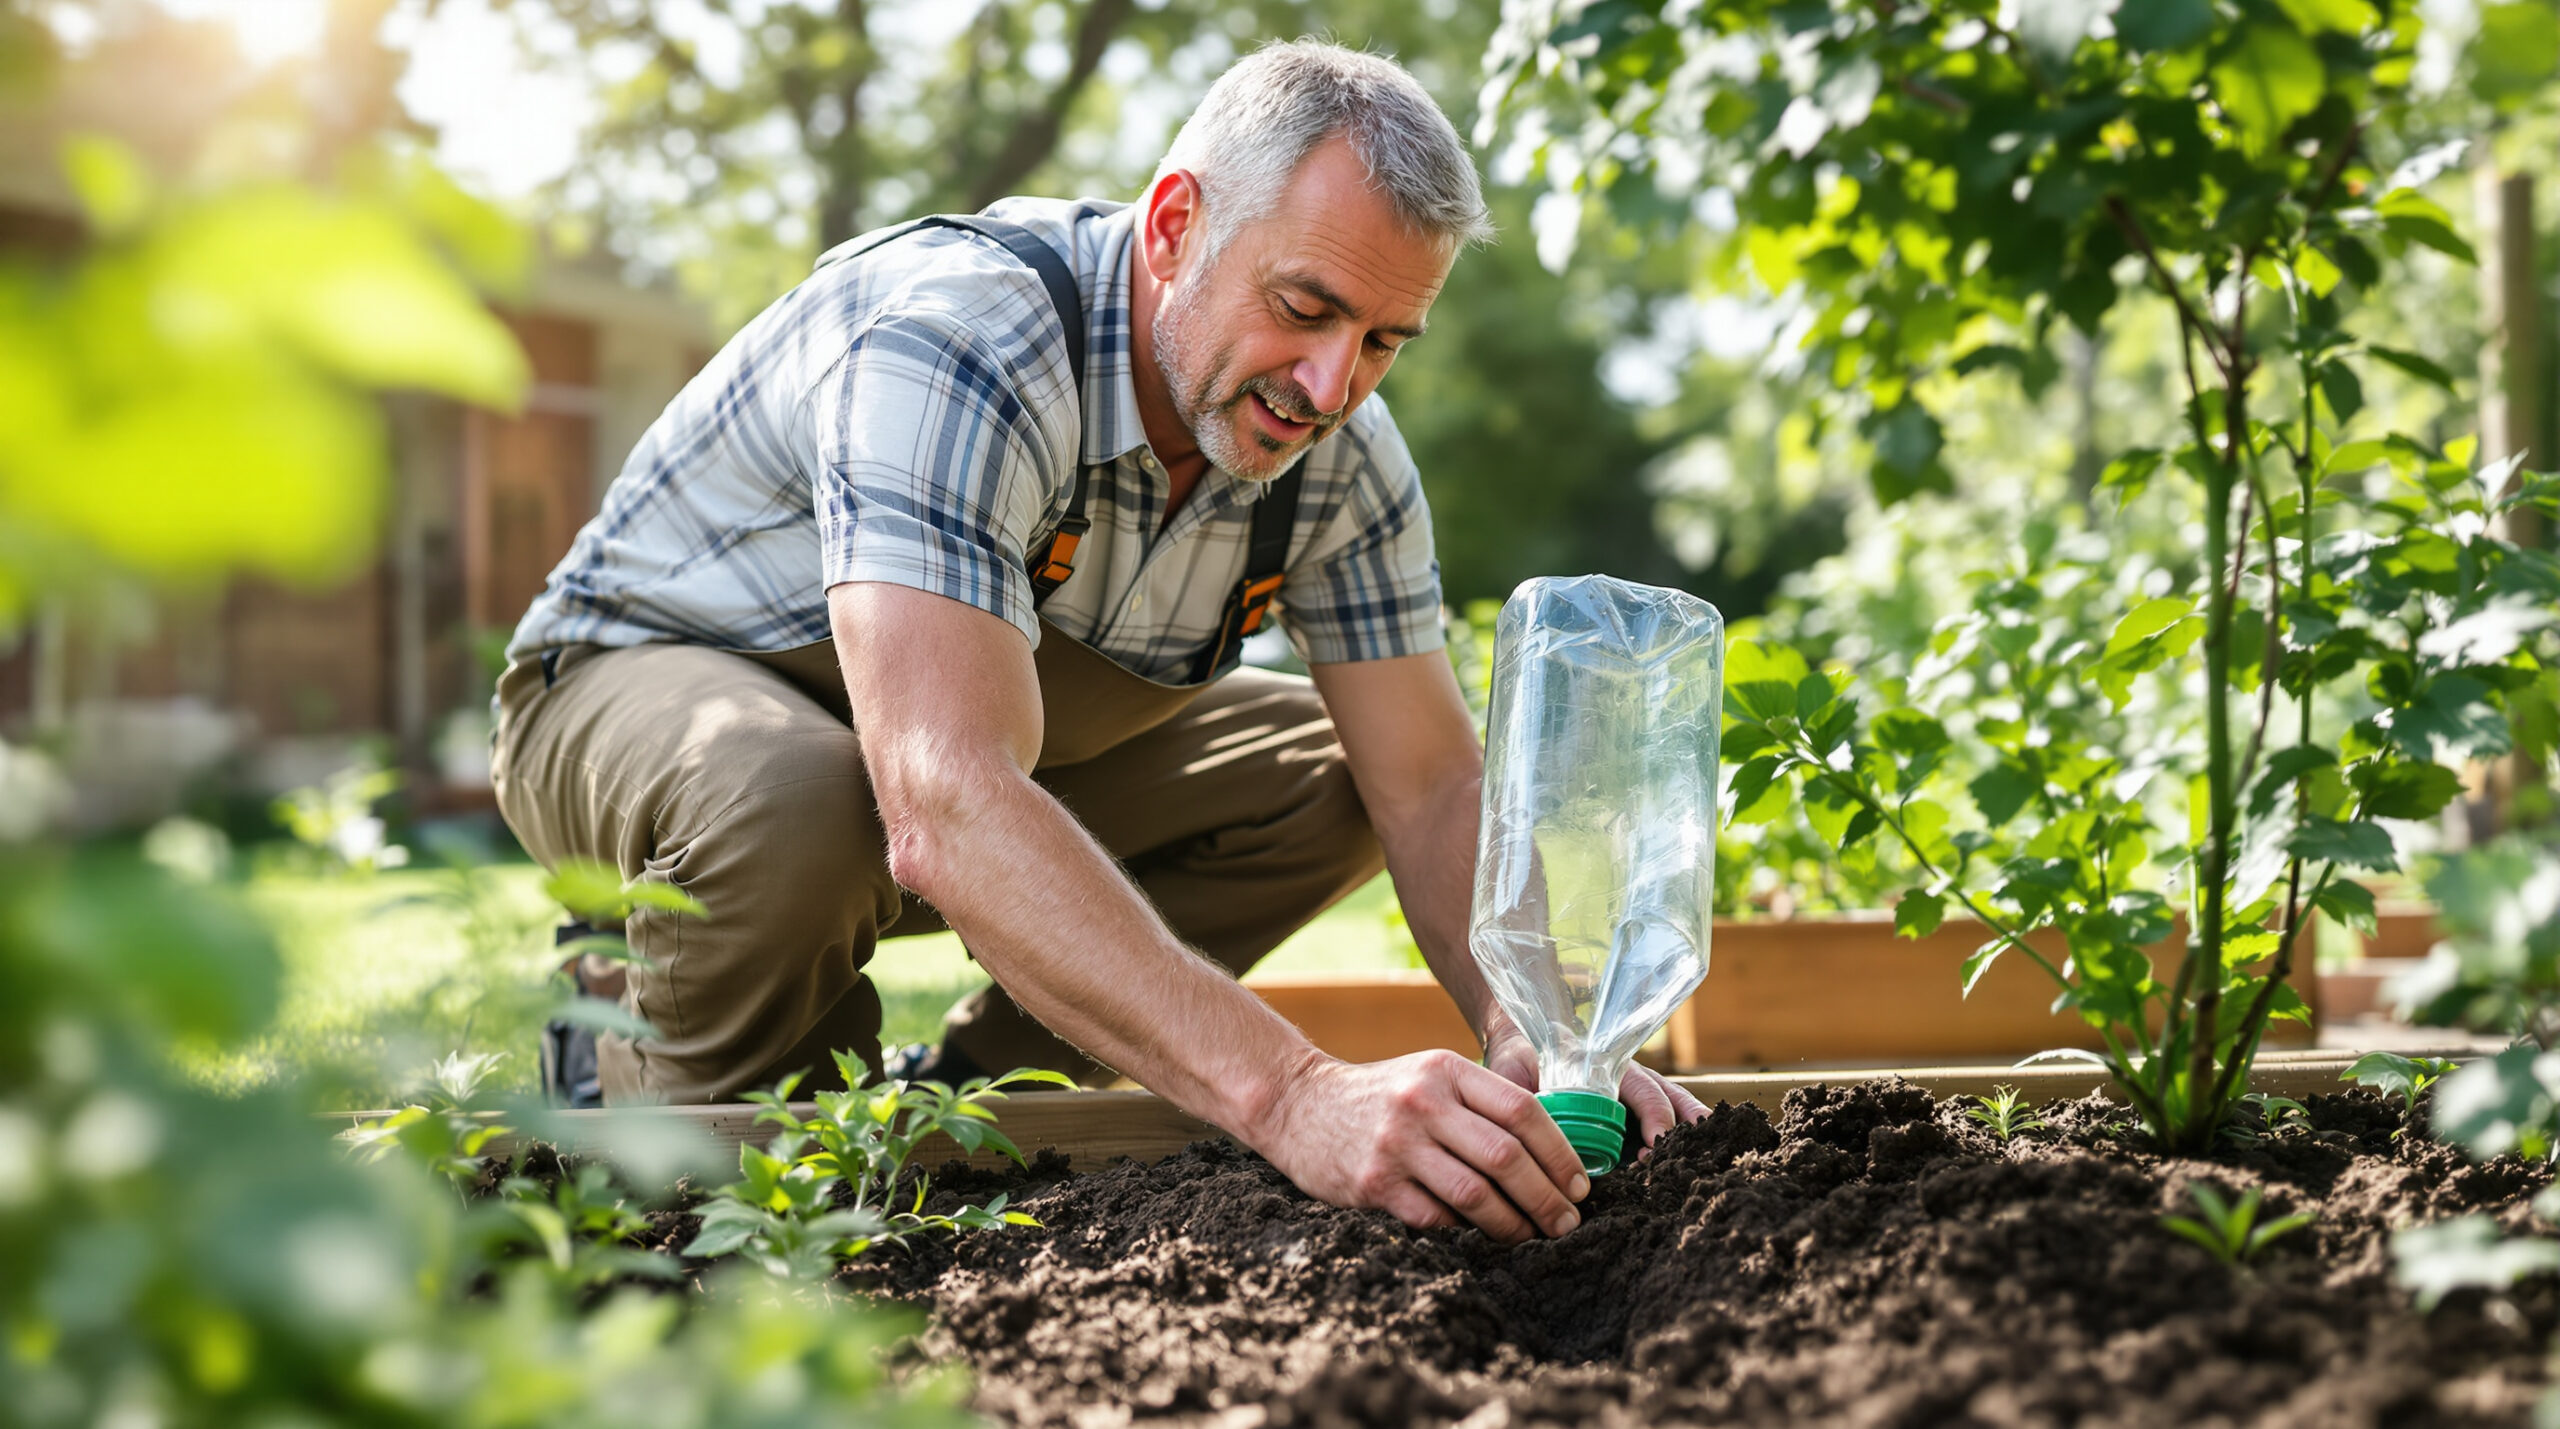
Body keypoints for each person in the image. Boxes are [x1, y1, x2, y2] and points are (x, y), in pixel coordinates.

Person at [491, 39, 1706, 1245]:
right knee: (796, 805)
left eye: (1385, 340)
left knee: (1329, 775)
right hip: (636, 694)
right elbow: (944, 792)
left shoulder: (1339, 462)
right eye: (1305, 308)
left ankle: (989, 1098)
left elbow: (1435, 791)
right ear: (1175, 224)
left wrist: (1544, 1044)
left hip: (945, 728)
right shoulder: (965, 341)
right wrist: (1292, 1095)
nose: (1332, 385)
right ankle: (641, 1088)